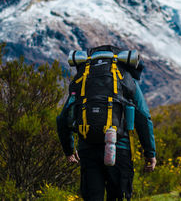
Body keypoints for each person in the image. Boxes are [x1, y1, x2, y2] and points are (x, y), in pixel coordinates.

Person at [57, 45, 156, 201]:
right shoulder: (125, 77)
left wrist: (69, 150)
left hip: (88, 149)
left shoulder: (82, 79)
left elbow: (63, 119)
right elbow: (143, 116)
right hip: (119, 148)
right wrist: (150, 153)